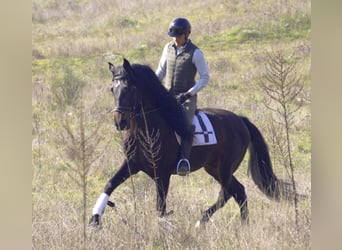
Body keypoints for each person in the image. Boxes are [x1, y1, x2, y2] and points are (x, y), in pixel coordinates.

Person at [156, 17, 210, 176]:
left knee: (184, 124)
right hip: (167, 96)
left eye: (178, 36)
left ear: (187, 34)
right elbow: (161, 71)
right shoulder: (168, 48)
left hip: (186, 98)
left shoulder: (196, 53)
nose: (175, 39)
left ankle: (183, 160)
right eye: (173, 36)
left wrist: (188, 93)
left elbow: (205, 78)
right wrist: (152, 86)